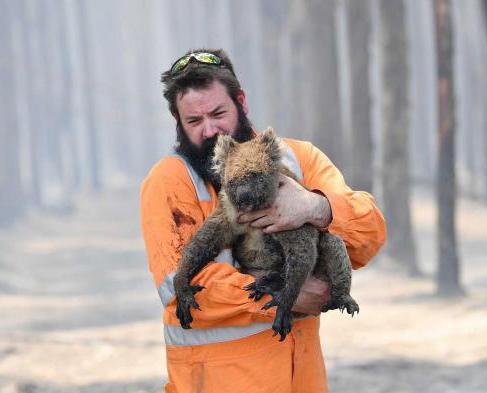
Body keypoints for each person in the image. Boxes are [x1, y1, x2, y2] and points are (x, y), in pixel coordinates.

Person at [140, 48, 386, 393]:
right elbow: (178, 284)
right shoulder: (170, 180)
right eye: (193, 121)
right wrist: (287, 296)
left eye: (218, 113)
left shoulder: (298, 158)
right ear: (177, 121)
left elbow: (370, 234)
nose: (210, 130)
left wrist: (316, 208)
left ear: (241, 101)